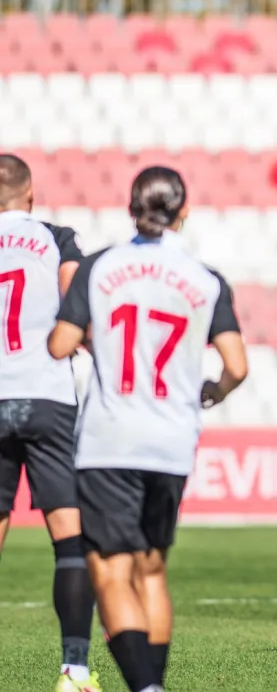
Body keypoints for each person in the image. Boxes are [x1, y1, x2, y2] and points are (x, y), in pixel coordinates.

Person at [47, 166, 247, 692]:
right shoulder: (206, 278)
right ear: (184, 211)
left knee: (111, 571)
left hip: (109, 438)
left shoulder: (100, 266)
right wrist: (216, 391)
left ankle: (146, 687)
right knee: (152, 571)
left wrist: (94, 337)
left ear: (131, 208)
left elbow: (60, 345)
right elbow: (237, 365)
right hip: (172, 441)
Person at [0, 154, 101, 692]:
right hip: (46, 396)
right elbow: (76, 304)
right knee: (68, 536)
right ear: (31, 194)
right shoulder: (55, 238)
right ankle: (74, 672)